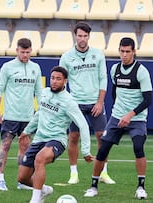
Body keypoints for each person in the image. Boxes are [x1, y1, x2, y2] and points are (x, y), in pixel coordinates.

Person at [84, 37, 153, 199]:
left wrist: (130, 114)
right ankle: (93, 186)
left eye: (128, 51)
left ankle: (141, 187)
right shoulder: (114, 69)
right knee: (102, 150)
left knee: (138, 147)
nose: (124, 55)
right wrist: (119, 112)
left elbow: (148, 100)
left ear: (134, 52)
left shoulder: (141, 71)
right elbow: (115, 93)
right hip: (116, 118)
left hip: (137, 118)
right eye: (122, 51)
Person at [17, 66, 94, 203]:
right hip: (39, 138)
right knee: (22, 178)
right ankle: (45, 190)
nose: (54, 81)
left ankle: (34, 200)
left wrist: (86, 151)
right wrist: (27, 131)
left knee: (40, 159)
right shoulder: (45, 93)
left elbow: (83, 125)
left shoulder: (69, 102)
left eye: (58, 79)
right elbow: (39, 114)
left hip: (56, 140)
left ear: (65, 81)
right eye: (52, 78)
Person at [59, 21, 114, 184]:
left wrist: (100, 102)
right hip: (75, 104)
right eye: (79, 35)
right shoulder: (66, 57)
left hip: (95, 103)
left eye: (85, 36)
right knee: (74, 136)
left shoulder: (98, 54)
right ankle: (73, 173)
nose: (82, 39)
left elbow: (103, 79)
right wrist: (67, 103)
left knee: (102, 137)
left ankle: (103, 172)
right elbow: (62, 82)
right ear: (75, 36)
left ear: (89, 36)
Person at [0, 38, 42, 191]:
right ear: (17, 51)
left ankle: (22, 180)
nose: (25, 55)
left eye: (28, 52)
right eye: (22, 52)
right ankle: (0, 180)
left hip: (28, 117)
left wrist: (41, 112)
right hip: (11, 116)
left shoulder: (35, 67)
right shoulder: (7, 67)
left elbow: (39, 92)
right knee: (5, 145)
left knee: (25, 148)